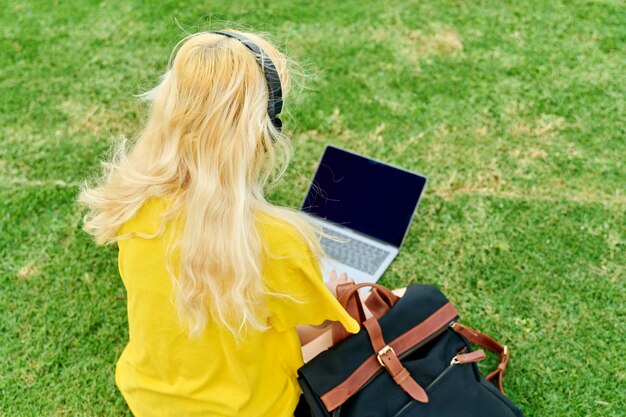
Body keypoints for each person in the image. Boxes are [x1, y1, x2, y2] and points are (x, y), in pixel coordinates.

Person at [78, 30, 361, 417]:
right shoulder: (277, 242)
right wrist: (339, 295)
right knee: (371, 309)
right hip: (256, 409)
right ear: (261, 133)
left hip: (150, 400)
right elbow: (326, 328)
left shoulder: (130, 206)